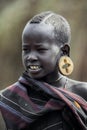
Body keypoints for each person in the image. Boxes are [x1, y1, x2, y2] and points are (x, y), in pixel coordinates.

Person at [0, 11, 87, 130]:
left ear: (64, 51)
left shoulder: (82, 94)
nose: (30, 57)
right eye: (26, 49)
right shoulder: (8, 100)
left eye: (40, 49)